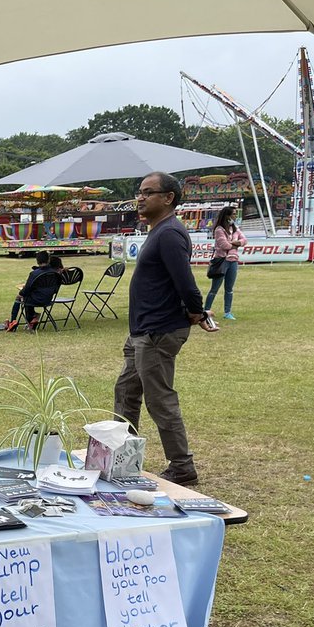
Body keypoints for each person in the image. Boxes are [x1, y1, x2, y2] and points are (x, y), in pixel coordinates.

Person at [113, 172, 219, 486]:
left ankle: (182, 466)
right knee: (126, 393)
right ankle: (122, 457)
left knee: (159, 399)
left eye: (149, 192)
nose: (140, 198)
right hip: (142, 332)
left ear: (168, 197)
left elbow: (185, 282)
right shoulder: (159, 231)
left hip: (158, 333)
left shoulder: (170, 233)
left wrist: (196, 312)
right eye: (139, 192)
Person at [204, 206, 245, 319]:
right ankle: (205, 311)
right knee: (214, 288)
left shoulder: (235, 228)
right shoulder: (219, 230)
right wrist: (236, 243)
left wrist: (233, 242)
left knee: (229, 289)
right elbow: (224, 245)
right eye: (233, 214)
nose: (235, 216)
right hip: (222, 261)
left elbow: (244, 240)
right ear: (227, 216)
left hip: (233, 261)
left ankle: (227, 312)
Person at [5, 253, 62, 332]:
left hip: (33, 300)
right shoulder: (55, 273)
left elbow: (27, 289)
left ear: (37, 261)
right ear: (48, 260)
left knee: (20, 297)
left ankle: (13, 321)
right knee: (28, 297)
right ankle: (32, 318)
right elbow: (56, 288)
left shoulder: (34, 273)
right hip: (48, 299)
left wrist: (20, 293)